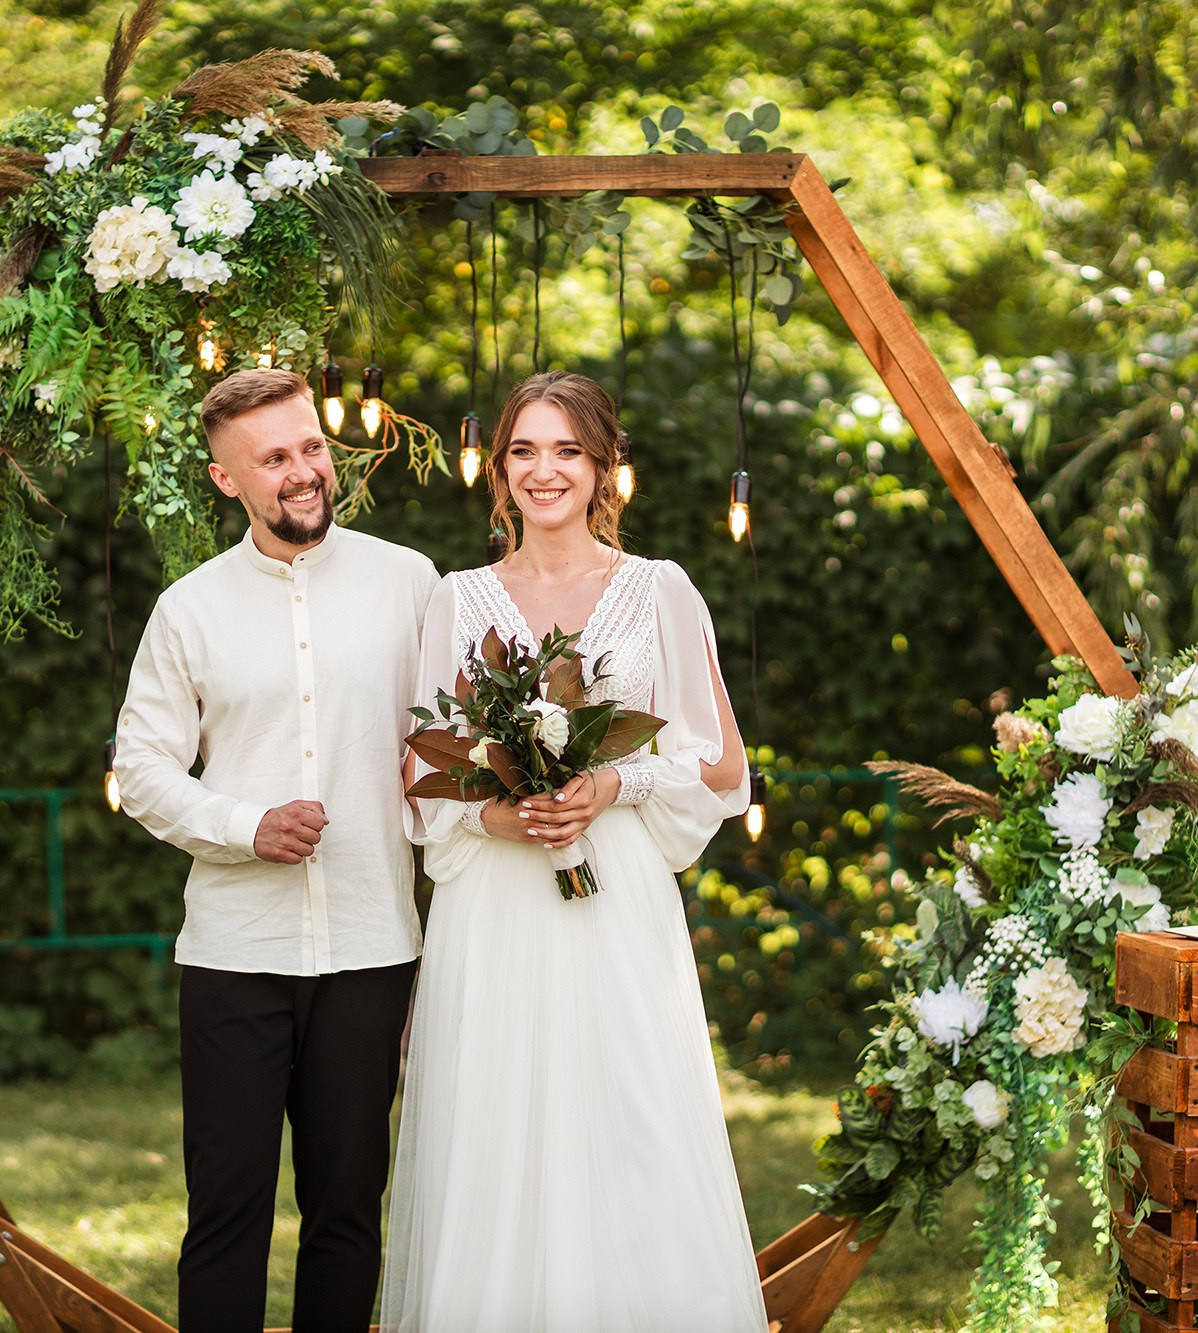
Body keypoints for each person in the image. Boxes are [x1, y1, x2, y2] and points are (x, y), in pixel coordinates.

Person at [383, 370, 767, 1331]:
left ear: (604, 468)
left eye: (567, 451)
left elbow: (723, 763)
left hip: (617, 898)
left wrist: (611, 783)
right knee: (498, 1122)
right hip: (498, 904)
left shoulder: (659, 590)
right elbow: (420, 767)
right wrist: (496, 815)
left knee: (629, 1106)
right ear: (500, 469)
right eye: (522, 450)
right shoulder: (456, 599)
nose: (542, 470)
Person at [113, 367, 438, 1333]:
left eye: (310, 447)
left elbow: (453, 752)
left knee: (347, 1213)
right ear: (226, 481)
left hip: (373, 946)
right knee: (227, 1214)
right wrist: (242, 825)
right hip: (233, 954)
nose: (303, 471)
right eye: (275, 458)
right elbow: (142, 767)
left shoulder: (409, 582)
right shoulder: (189, 609)